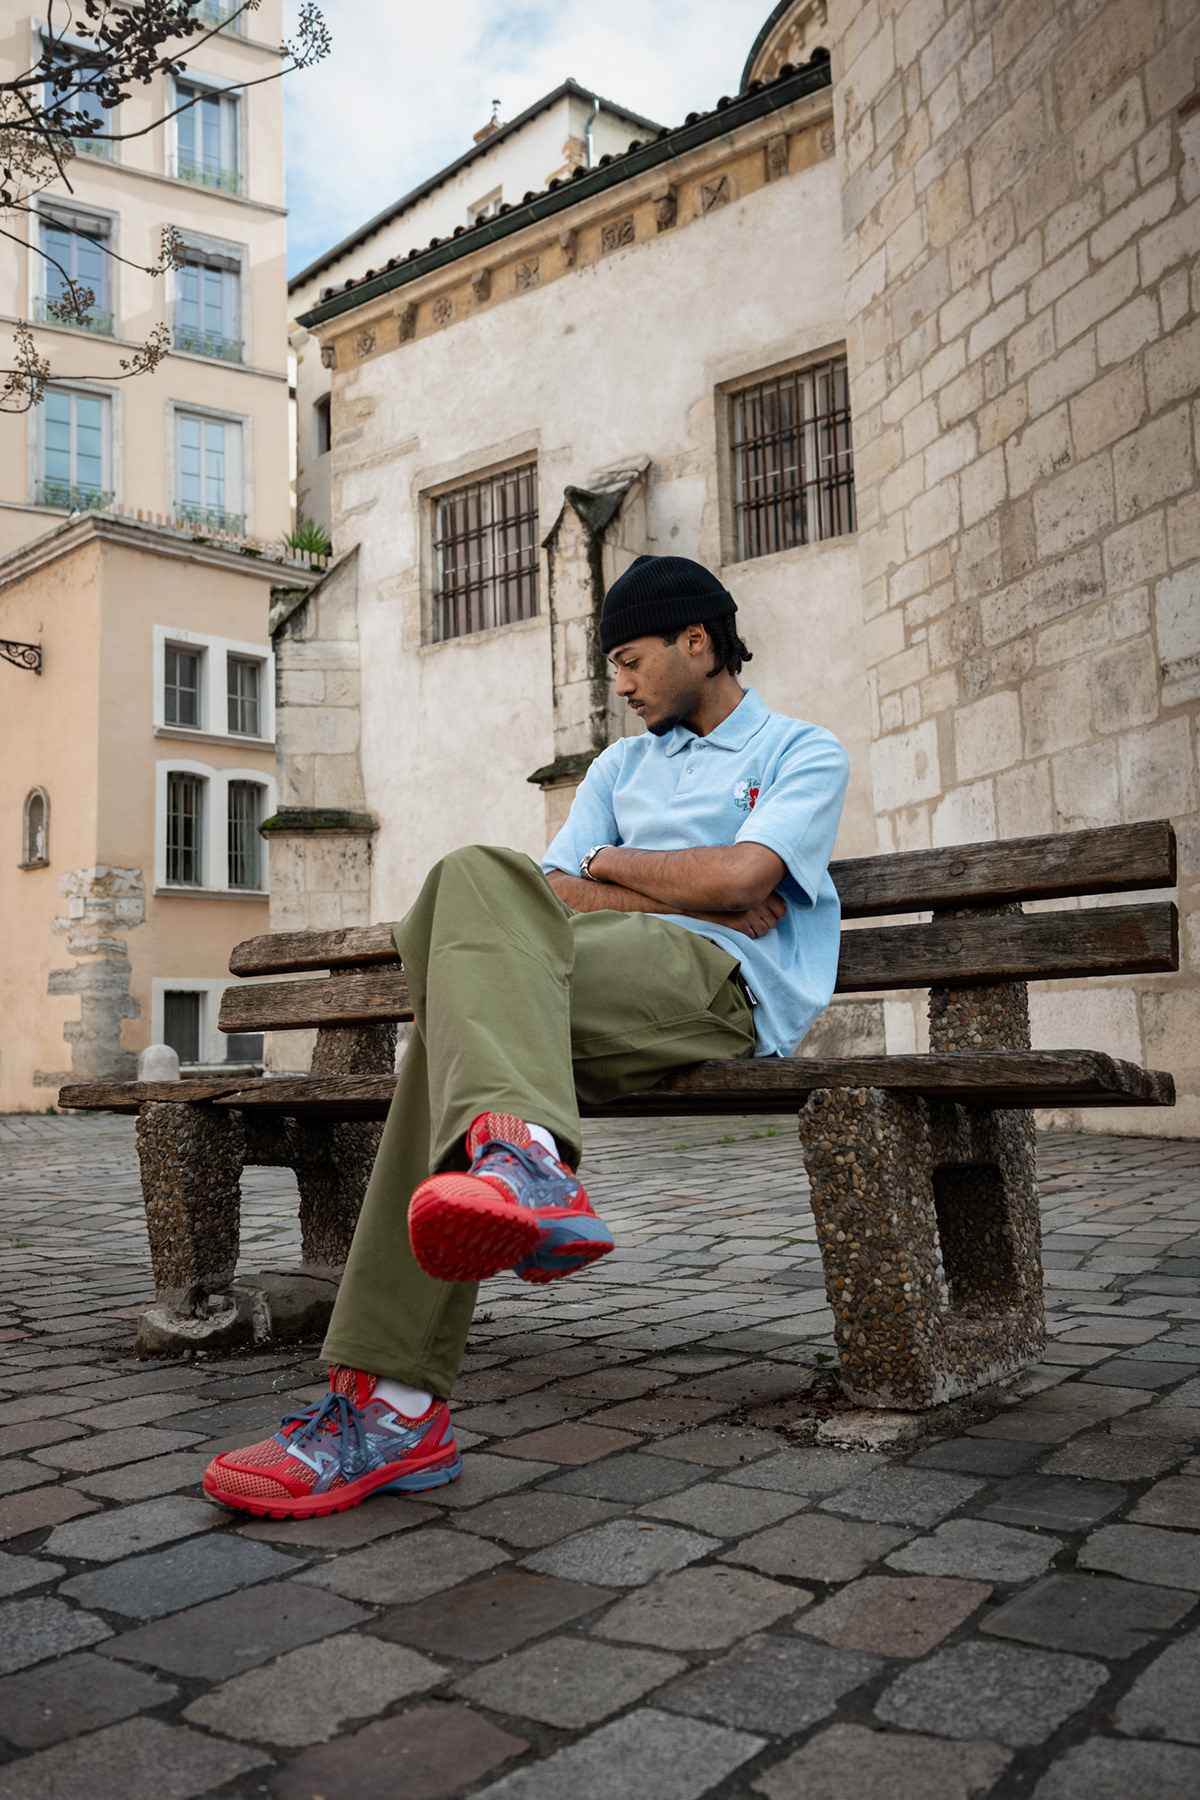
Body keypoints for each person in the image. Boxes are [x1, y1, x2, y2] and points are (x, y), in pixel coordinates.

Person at [202, 554, 849, 1519]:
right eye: (612, 666)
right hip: (582, 971)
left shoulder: (800, 750)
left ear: (698, 641)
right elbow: (549, 893)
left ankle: (390, 1405)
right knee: (472, 873)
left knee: (448, 1042)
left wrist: (619, 867)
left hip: (716, 986)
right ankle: (520, 1163)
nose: (620, 685)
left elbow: (744, 883)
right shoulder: (618, 768)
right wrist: (675, 879)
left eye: (630, 660)